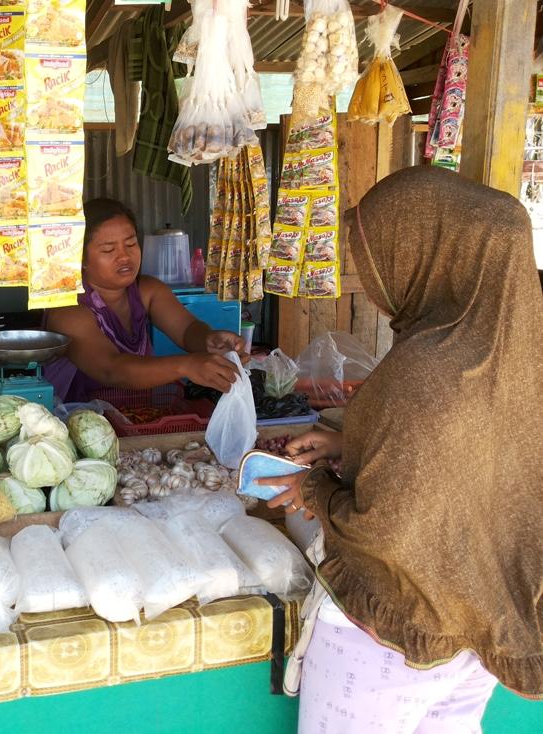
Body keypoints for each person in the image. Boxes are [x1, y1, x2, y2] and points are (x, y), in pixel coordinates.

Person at [257, 166, 543, 731]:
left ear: (427, 253)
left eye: (378, 260)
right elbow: (480, 455)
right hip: (481, 628)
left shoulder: (425, 368)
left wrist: (314, 488)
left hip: (389, 638)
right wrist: (352, 441)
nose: (375, 283)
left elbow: (384, 530)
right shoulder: (521, 351)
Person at [44, 198, 247, 402]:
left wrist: (209, 341)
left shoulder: (148, 290)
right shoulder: (68, 310)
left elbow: (186, 329)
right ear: (80, 258)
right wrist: (187, 365)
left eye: (131, 244)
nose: (124, 256)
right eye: (108, 250)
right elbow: (111, 369)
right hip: (78, 417)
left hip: (137, 415)